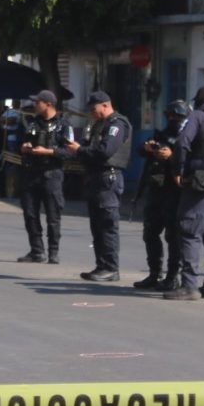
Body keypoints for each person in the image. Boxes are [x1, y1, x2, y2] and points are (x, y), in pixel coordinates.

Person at [65, 90, 132, 282]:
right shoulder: (99, 125)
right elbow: (92, 149)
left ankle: (111, 267)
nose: (92, 113)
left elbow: (105, 151)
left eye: (94, 109)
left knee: (107, 224)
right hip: (96, 178)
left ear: (105, 104)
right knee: (97, 225)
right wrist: (79, 150)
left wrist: (80, 150)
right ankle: (101, 265)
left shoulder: (117, 124)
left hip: (108, 179)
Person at [133, 100, 188, 291]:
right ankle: (154, 273)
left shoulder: (187, 137)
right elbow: (142, 150)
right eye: (171, 116)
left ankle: (173, 276)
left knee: (173, 236)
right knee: (150, 232)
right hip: (156, 189)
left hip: (175, 192)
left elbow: (190, 161)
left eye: (178, 117)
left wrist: (171, 156)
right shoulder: (162, 134)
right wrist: (149, 148)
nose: (173, 120)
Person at [16, 90, 74, 265]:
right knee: (30, 213)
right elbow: (22, 144)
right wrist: (25, 147)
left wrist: (49, 151)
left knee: (53, 215)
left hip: (52, 174)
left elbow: (70, 152)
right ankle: (37, 251)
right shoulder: (32, 123)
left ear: (48, 104)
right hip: (31, 173)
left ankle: (53, 252)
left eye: (38, 102)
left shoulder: (64, 125)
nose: (35, 105)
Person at [168, 86, 204, 300]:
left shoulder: (198, 117)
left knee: (190, 229)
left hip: (200, 180)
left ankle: (189, 285)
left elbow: (183, 143)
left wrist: (178, 171)